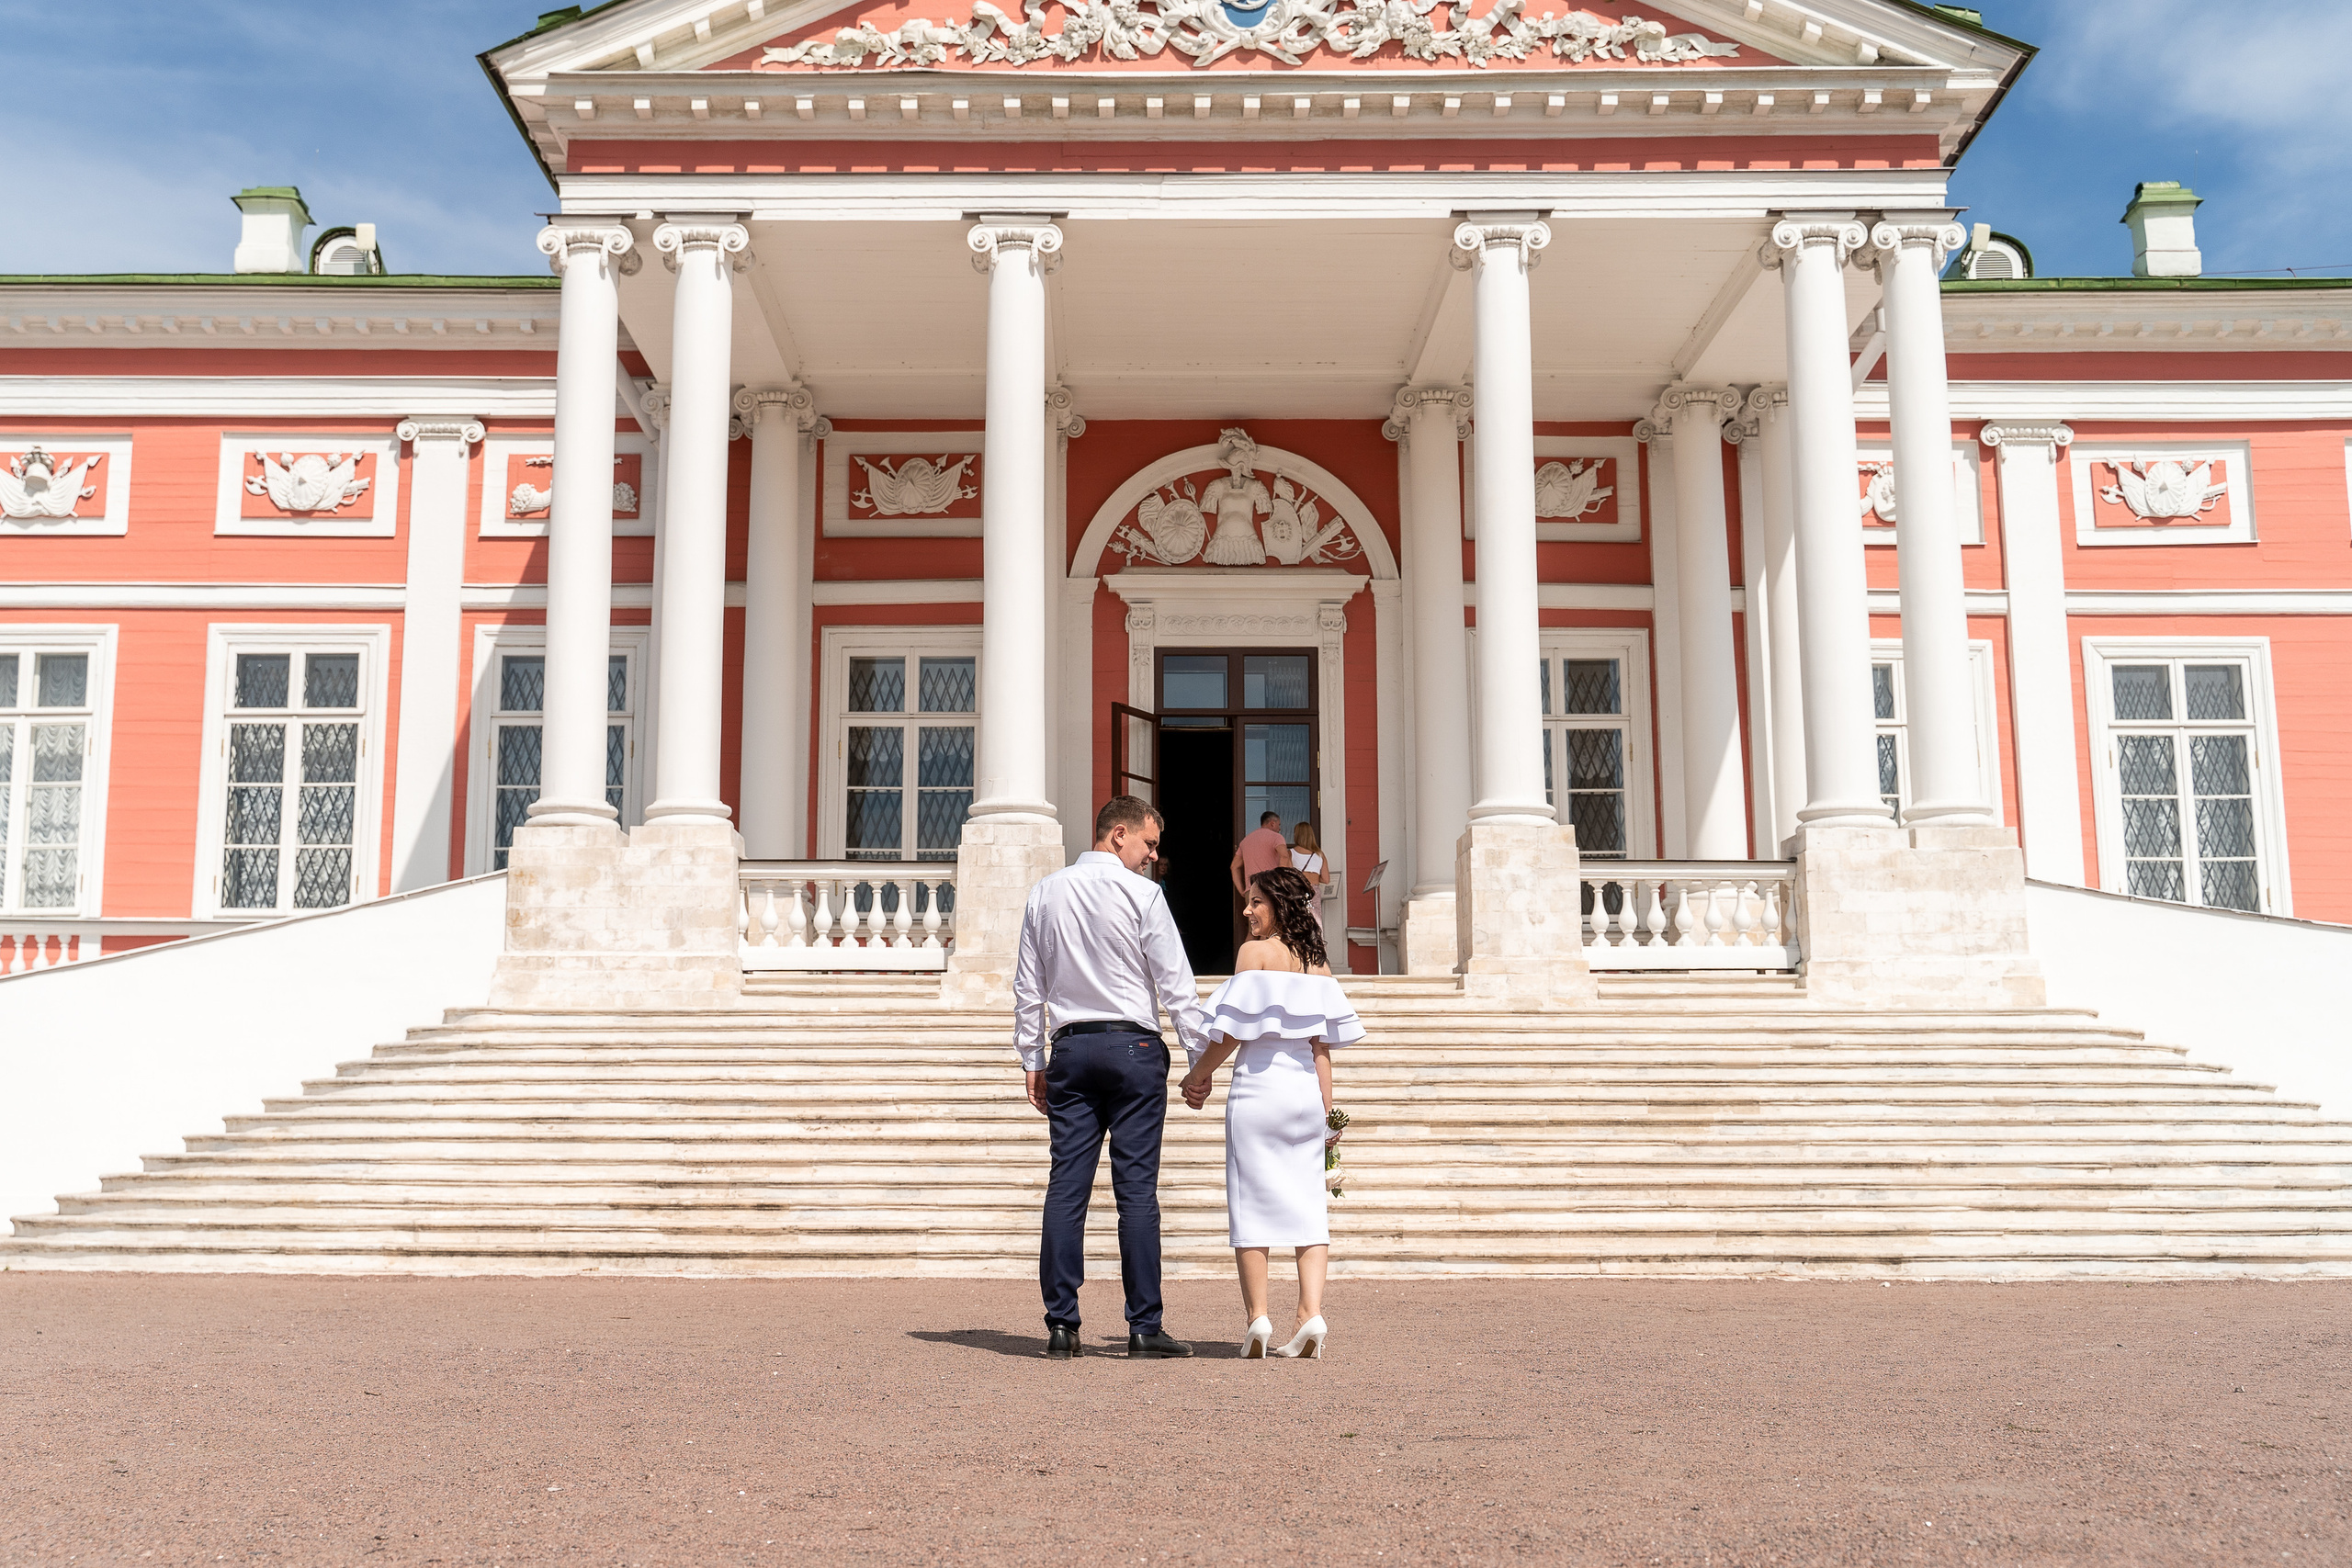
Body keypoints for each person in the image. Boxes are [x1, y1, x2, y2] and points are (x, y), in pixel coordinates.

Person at [1013, 795, 1208, 1360]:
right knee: (1137, 1192)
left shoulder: (1045, 892)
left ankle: (1061, 1324)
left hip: (1072, 1047)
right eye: (1148, 843)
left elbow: (1029, 985)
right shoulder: (1143, 894)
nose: (1153, 857)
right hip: (1134, 1046)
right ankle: (1144, 1326)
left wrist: (1033, 1058)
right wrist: (1198, 1061)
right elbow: (1176, 983)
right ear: (1117, 834)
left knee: (1066, 1188)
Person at [1181, 866, 1362, 1359]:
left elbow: (1236, 1030)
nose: (1246, 911)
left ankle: (1258, 1318)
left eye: (1255, 902)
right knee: (1310, 1205)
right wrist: (1329, 1116)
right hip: (1304, 1093)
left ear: (1279, 905)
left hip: (1258, 1091)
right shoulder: (1317, 962)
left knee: (1250, 1201)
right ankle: (1310, 1315)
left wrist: (1197, 1074)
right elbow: (1323, 1048)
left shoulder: (1253, 954)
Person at [1230, 810, 1289, 898]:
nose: (1279, 829)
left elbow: (1234, 867)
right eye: (1279, 825)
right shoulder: (1276, 837)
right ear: (1272, 823)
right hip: (1271, 888)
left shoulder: (1246, 841)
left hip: (1251, 890)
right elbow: (1284, 856)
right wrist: (1281, 883)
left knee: (1252, 912)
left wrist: (1243, 890)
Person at [1289, 820, 1328, 931]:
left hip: (1298, 889)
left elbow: (1288, 875)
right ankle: (1317, 946)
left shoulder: (1291, 853)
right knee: (1316, 921)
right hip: (1314, 890)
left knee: (1298, 921)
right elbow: (1326, 879)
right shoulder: (1320, 854)